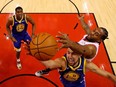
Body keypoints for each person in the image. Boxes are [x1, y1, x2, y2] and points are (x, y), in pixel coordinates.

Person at [35, 48, 116, 87]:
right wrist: (35, 53)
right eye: (68, 53)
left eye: (73, 53)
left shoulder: (86, 64)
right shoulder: (62, 61)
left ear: (80, 54)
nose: (70, 56)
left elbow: (108, 75)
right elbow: (49, 64)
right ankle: (46, 71)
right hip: (65, 83)